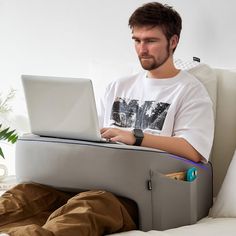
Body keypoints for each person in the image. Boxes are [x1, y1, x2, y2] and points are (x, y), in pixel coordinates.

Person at [0, 2, 214, 236]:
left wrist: (136, 137)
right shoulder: (118, 86)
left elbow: (194, 150)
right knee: (21, 196)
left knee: (88, 209)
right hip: (82, 180)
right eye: (136, 40)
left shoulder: (190, 91)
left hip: (130, 196)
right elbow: (92, 133)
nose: (142, 48)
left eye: (151, 41)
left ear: (173, 42)